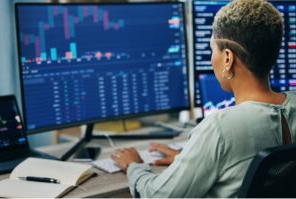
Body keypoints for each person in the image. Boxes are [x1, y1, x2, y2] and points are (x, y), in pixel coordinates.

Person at [111, 0, 296, 197]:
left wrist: (134, 166)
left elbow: (159, 195)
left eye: (212, 50)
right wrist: (190, 159)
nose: (211, 59)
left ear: (227, 58)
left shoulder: (220, 128)